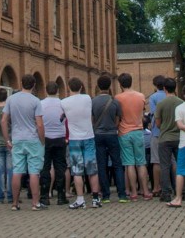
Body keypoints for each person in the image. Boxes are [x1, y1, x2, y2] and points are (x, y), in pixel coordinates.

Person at [3, 73, 46, 210]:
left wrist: (7, 139)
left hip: (17, 139)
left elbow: (4, 120)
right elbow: (39, 124)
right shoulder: (35, 101)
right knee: (34, 172)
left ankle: (14, 203)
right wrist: (42, 140)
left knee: (17, 171)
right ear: (34, 85)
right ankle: (35, 203)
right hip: (33, 139)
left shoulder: (11, 99)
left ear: (21, 83)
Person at [61, 77, 102, 209]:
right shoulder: (87, 98)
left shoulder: (64, 102)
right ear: (81, 87)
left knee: (77, 171)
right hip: (89, 137)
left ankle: (80, 199)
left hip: (74, 139)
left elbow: (61, 118)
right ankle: (96, 199)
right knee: (92, 169)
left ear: (68, 87)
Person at [115, 72, 151, 200]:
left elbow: (117, 117)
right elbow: (142, 115)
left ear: (120, 84)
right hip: (138, 131)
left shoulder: (117, 98)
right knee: (141, 163)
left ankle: (133, 193)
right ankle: (146, 191)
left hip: (124, 132)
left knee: (129, 163)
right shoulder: (140, 96)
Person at [92, 74, 127, 203]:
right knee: (117, 164)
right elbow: (118, 119)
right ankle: (122, 195)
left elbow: (92, 119)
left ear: (98, 86)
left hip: (98, 135)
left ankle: (106, 196)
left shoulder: (93, 101)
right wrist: (113, 127)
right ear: (109, 86)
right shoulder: (115, 102)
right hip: (112, 134)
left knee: (101, 165)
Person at [38, 81, 68, 206]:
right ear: (57, 91)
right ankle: (61, 196)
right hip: (60, 138)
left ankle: (45, 196)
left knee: (45, 167)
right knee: (60, 167)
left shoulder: (40, 104)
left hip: (45, 139)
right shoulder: (63, 104)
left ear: (46, 91)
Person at [154, 77, 182, 203]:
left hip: (165, 138)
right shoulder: (181, 102)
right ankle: (184, 191)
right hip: (179, 137)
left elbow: (158, 123)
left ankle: (166, 193)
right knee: (181, 165)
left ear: (164, 88)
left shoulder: (161, 104)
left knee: (165, 166)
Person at [148, 74, 167, 194]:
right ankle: (174, 184)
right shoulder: (171, 96)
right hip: (170, 131)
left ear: (155, 85)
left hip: (156, 132)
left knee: (156, 161)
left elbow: (154, 114)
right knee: (172, 160)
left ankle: (156, 187)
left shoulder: (153, 97)